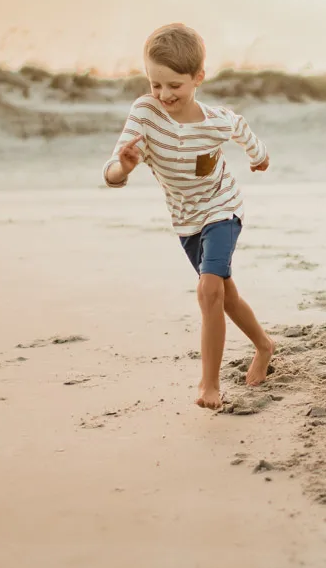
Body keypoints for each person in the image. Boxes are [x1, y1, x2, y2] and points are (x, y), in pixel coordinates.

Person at [103, 23, 273, 411]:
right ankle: (264, 345)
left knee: (209, 288)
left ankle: (208, 384)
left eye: (174, 86)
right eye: (155, 85)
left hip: (223, 208)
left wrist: (259, 157)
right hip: (186, 221)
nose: (163, 95)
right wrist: (125, 169)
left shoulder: (216, 120)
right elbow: (112, 170)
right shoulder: (145, 114)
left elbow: (242, 129)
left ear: (198, 78)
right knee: (225, 295)